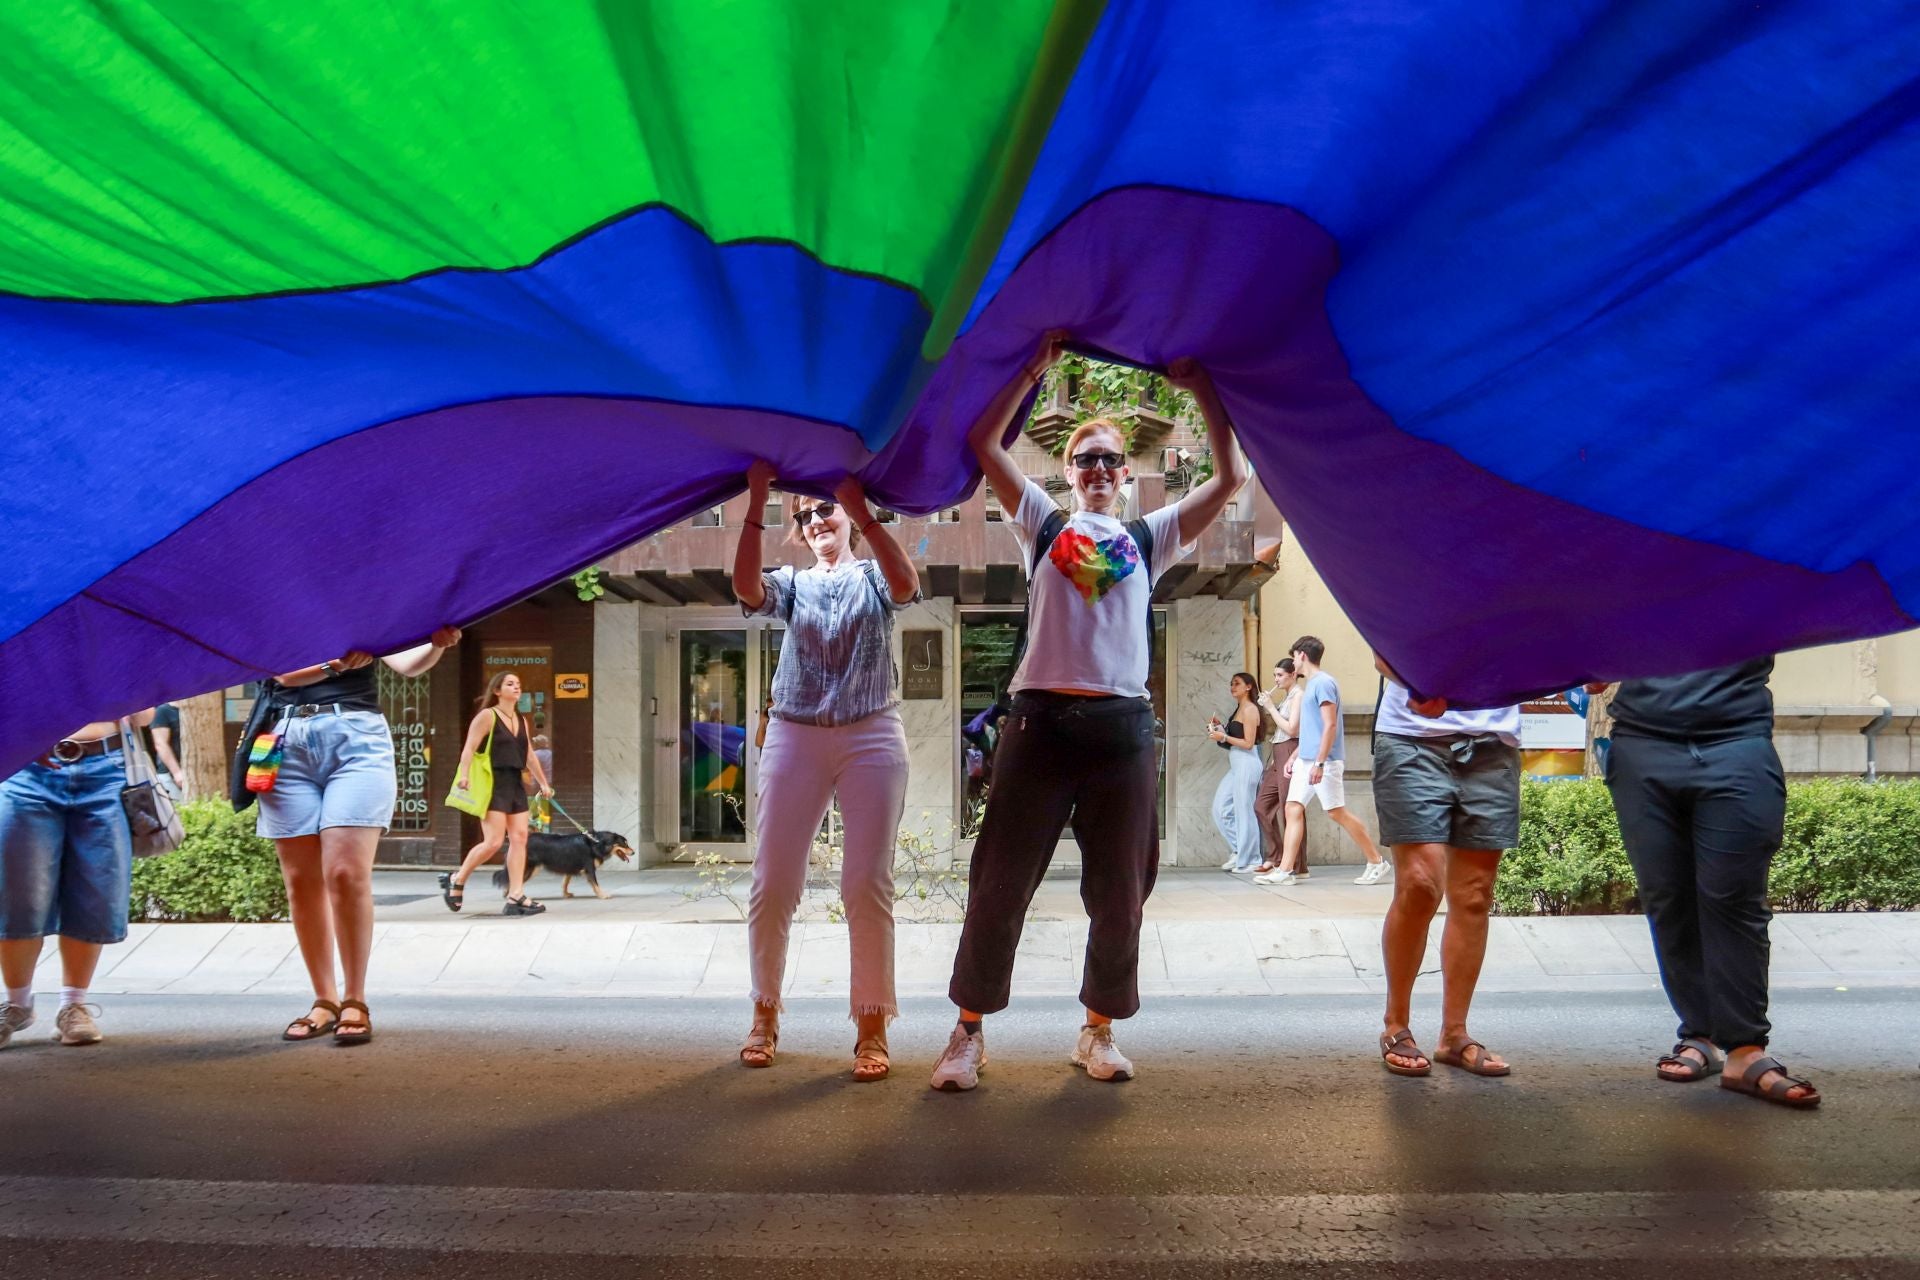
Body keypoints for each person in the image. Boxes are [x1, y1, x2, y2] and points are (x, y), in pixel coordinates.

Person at [932, 337, 1249, 1091]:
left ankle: (1097, 1032)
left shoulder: (1151, 536)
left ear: (1128, 474)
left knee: (1120, 895)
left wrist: (1202, 384)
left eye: (1111, 460)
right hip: (1038, 728)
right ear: (1069, 475)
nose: (1100, 471)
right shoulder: (1042, 521)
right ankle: (967, 1034)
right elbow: (982, 441)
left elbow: (1231, 476)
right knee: (998, 884)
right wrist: (1032, 373)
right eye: (1087, 461)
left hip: (1121, 735)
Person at [733, 463, 918, 1082]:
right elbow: (747, 590)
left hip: (871, 732)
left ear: (847, 517)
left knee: (865, 883)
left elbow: (905, 583)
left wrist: (859, 505)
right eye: (807, 515)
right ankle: (764, 1011)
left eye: (826, 510)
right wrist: (759, 499)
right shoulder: (791, 583)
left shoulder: (871, 574)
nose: (817, 521)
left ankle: (872, 1024)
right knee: (773, 881)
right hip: (795, 731)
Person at [1598, 659, 1818, 1108]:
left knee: (1734, 899)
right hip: (1643, 744)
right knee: (1668, 898)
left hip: (1736, 743)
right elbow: (1589, 661)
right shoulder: (1633, 584)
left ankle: (1744, 1049)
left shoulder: (1759, 584)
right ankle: (1700, 1034)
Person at [258, 627, 461, 1045]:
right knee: (300, 880)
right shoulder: (276, 600)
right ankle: (324, 1000)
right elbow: (280, 673)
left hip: (357, 738)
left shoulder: (363, 604)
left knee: (346, 873)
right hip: (282, 740)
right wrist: (336, 663)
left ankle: (355, 998)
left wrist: (437, 646)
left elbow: (406, 662)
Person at [1369, 657, 1521, 1078]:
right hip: (1411, 736)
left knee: (1474, 894)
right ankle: (1395, 1023)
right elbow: (1384, 645)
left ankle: (1454, 1035)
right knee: (1420, 884)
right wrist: (1417, 681)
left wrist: (1584, 670)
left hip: (1492, 743)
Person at [1, 708, 156, 1049]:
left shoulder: (115, 651)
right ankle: (17, 1004)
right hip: (24, 767)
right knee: (17, 892)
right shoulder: (18, 650)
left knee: (95, 890)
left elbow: (145, 716)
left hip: (107, 766)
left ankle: (73, 1004)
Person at [1273, 636, 1386, 886]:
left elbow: (1329, 724)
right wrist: (1295, 756)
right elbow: (1313, 729)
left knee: (1336, 812)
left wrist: (1320, 763)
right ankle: (1285, 869)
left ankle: (1377, 861)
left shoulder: (1323, 683)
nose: (1293, 661)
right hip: (1306, 759)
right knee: (1292, 807)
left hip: (1324, 761)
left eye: (1293, 656)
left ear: (1302, 655)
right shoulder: (1313, 684)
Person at [441, 672, 555, 917]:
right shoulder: (487, 716)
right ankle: (457, 878)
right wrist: (464, 775)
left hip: (515, 782)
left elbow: (529, 756)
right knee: (493, 841)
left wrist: (543, 782)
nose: (516, 687)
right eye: (510, 684)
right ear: (497, 690)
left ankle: (516, 894)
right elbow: (470, 747)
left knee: (520, 837)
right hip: (493, 781)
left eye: (518, 684)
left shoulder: (521, 720)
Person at [1209, 673, 1271, 873]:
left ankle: (1252, 859)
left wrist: (1224, 735)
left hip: (1247, 762)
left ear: (1248, 687)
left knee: (1244, 811)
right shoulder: (1239, 709)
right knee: (1220, 808)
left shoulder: (1251, 709)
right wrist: (1220, 731)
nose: (1232, 686)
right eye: (1231, 683)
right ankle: (1239, 851)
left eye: (1237, 683)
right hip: (1236, 763)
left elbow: (1248, 743)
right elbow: (1232, 741)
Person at [1253, 659, 1306, 878]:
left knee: (1290, 808)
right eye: (1275, 675)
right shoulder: (1288, 696)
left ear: (1293, 674)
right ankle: (1277, 857)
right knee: (1261, 806)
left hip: (1290, 749)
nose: (1276, 679)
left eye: (1280, 675)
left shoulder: (1298, 696)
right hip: (1279, 752)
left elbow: (1293, 730)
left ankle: (1296, 865)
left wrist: (1270, 708)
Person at [147, 702, 186, 798]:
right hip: (170, 775)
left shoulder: (194, 711)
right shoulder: (163, 711)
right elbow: (160, 744)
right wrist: (177, 773)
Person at [530, 734, 554, 832]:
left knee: (536, 804)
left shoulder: (534, 754)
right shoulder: (551, 754)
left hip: (537, 783)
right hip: (550, 783)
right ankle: (547, 825)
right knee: (547, 805)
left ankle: (537, 826)